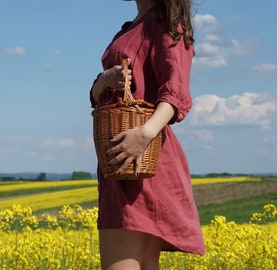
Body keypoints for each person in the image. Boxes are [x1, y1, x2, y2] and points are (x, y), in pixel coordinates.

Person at [90, 0, 205, 269]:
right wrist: (105, 80)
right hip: (123, 158)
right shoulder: (131, 28)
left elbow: (176, 91)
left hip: (143, 157)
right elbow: (97, 99)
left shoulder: (165, 23)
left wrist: (144, 135)